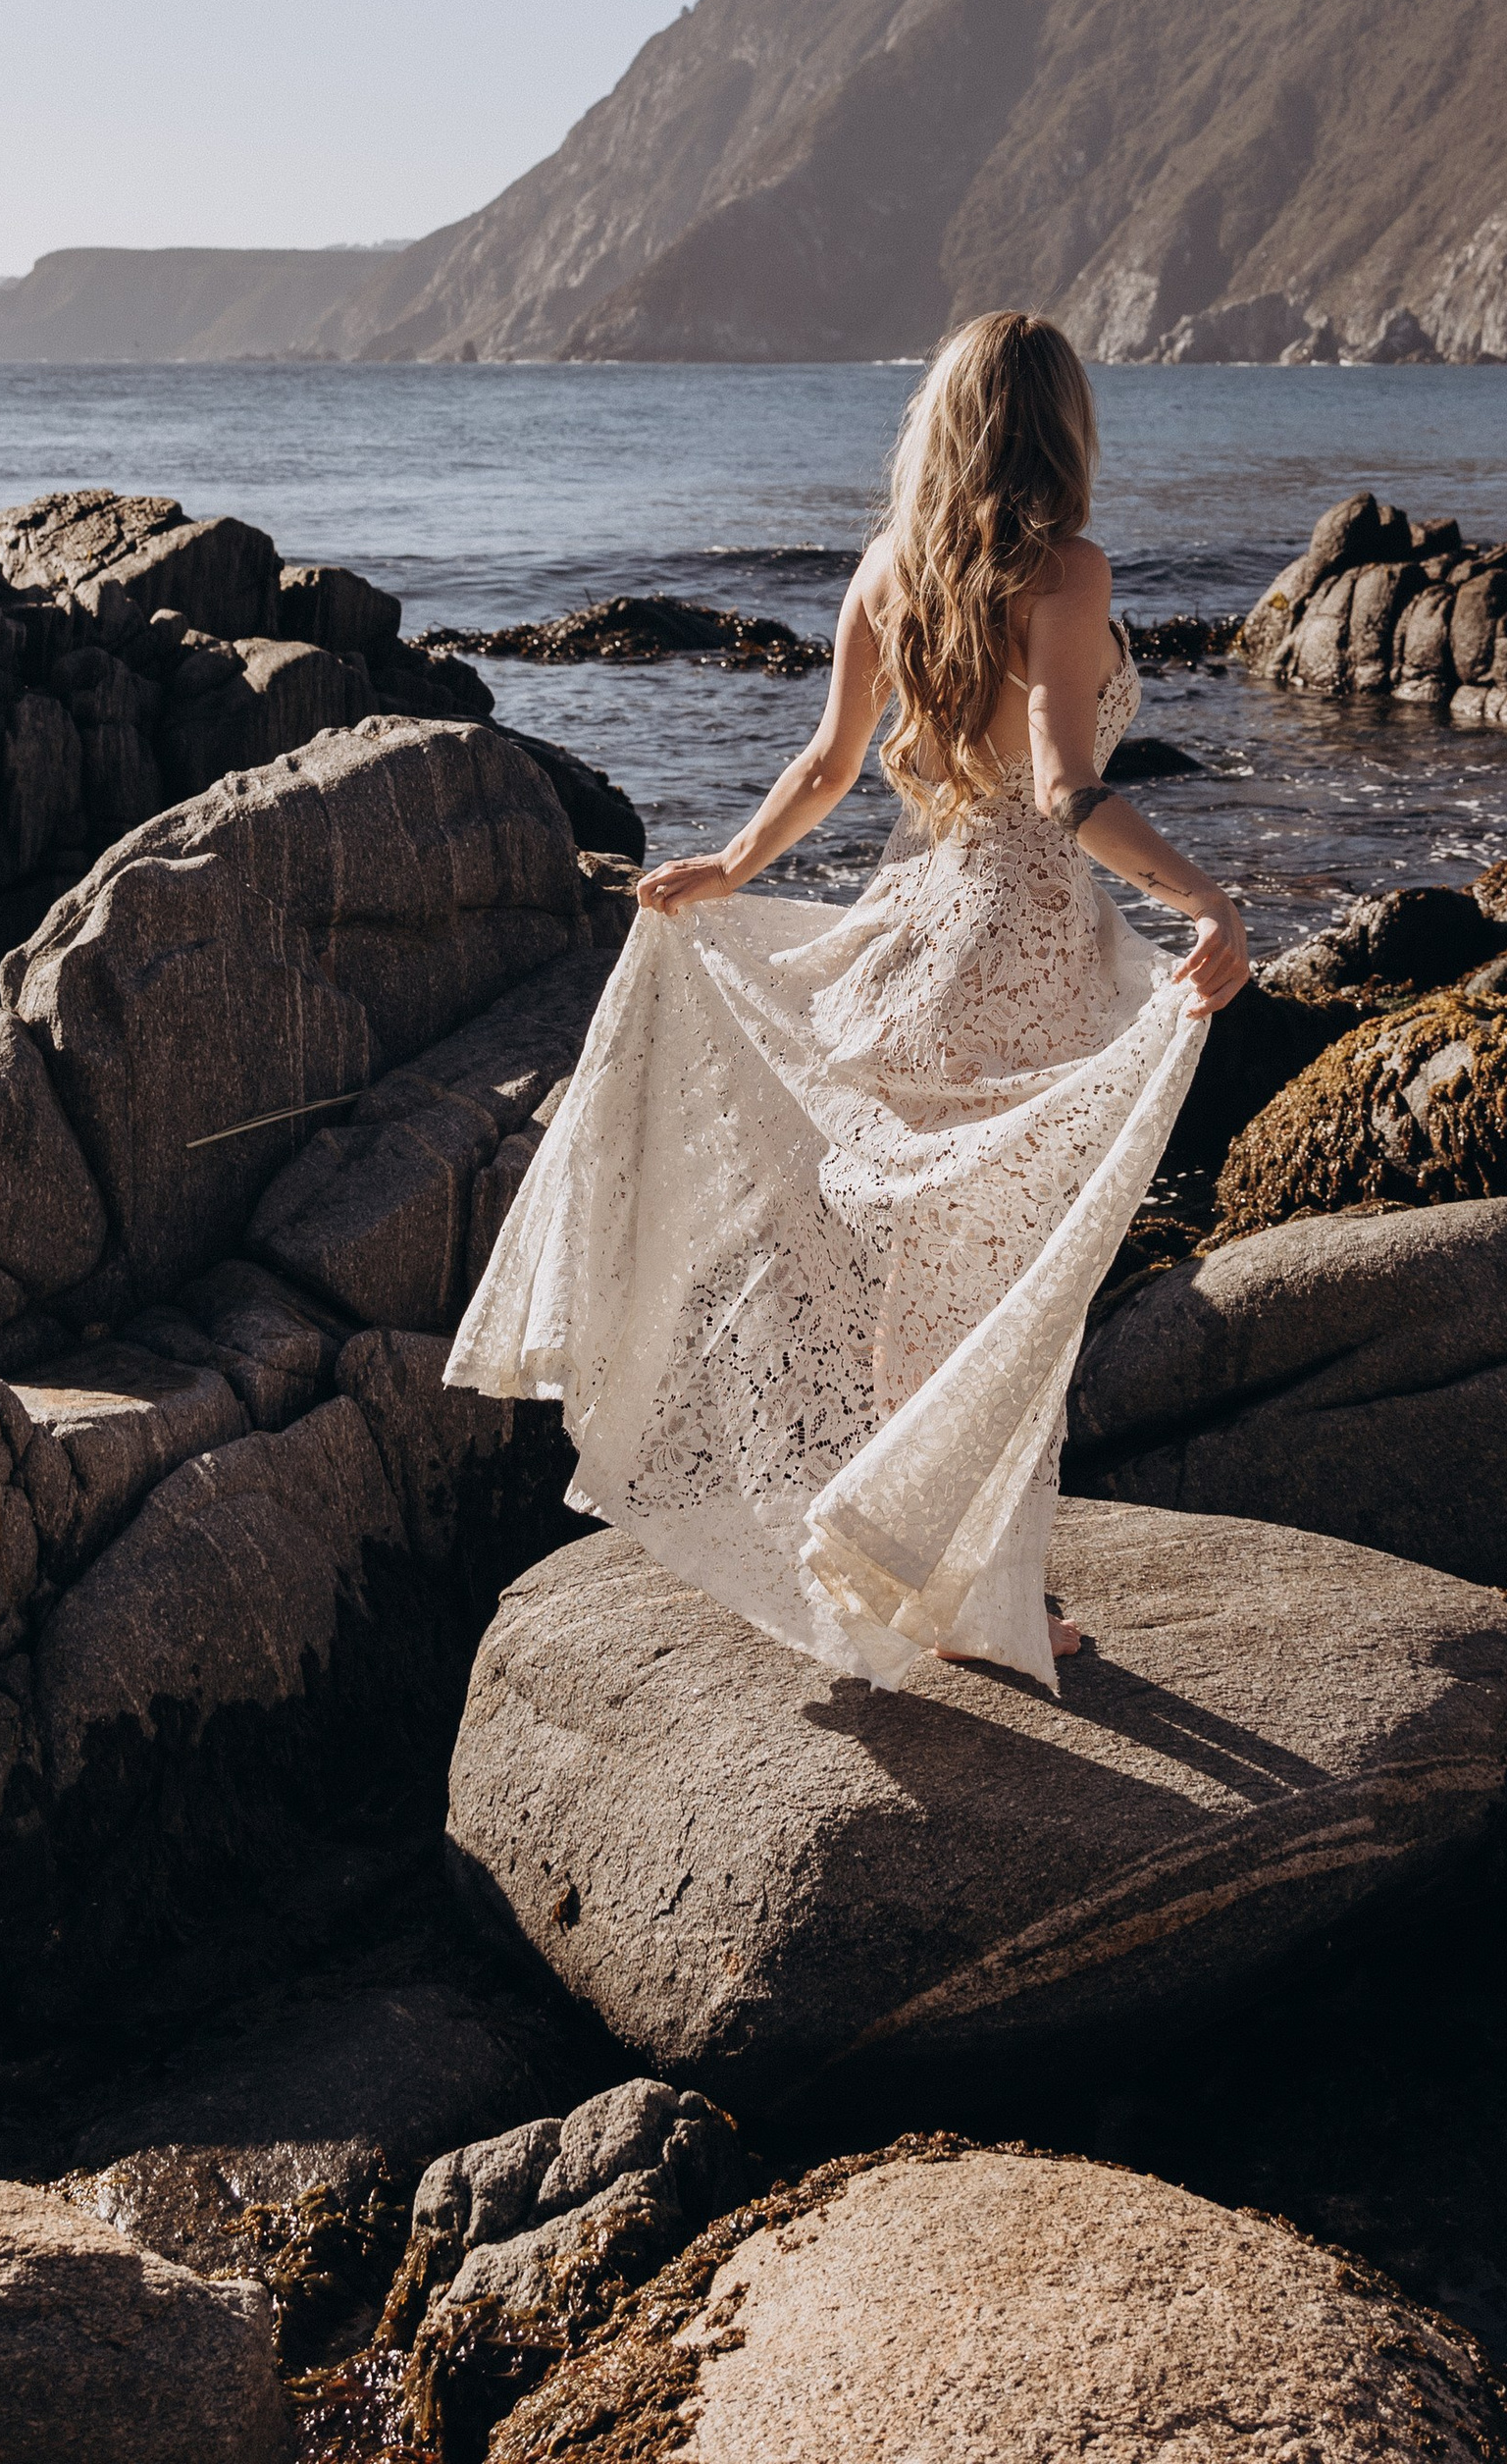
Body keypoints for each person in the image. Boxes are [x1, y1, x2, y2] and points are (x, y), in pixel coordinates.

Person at [444, 311, 1250, 1690]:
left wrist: (728, 867)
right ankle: (964, 1579)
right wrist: (1206, 899)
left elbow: (826, 765)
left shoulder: (893, 569)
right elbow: (1065, 789)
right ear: (1061, 426)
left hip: (921, 939)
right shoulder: (1065, 570)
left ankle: (911, 1556)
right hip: (1025, 946)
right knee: (1009, 1282)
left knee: (924, 1277)